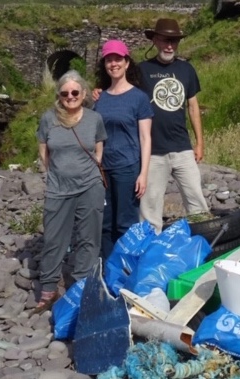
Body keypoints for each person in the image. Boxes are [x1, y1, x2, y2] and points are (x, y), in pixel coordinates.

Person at [34, 69, 107, 314]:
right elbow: (44, 151)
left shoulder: (94, 119)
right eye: (65, 93)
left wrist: (88, 173)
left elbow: (98, 150)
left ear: (83, 93)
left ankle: (80, 288)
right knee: (54, 239)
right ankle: (48, 290)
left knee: (88, 239)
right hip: (58, 188)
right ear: (59, 95)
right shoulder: (48, 119)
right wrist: (55, 173)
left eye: (75, 92)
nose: (70, 96)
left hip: (90, 185)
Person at [138, 18, 209, 233]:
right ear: (156, 41)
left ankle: (205, 241)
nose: (170, 45)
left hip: (182, 147)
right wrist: (99, 92)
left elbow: (193, 106)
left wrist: (199, 143)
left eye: (174, 41)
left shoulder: (187, 69)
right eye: (165, 40)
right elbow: (121, 91)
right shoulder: (141, 70)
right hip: (153, 152)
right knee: (149, 207)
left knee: (197, 200)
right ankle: (150, 250)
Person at [93, 40, 153, 260]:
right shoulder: (100, 98)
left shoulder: (139, 98)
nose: (113, 63)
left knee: (125, 223)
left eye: (118, 59)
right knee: (105, 223)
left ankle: (125, 269)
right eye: (109, 59)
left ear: (127, 63)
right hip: (103, 170)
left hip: (128, 168)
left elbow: (146, 138)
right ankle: (109, 269)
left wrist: (143, 173)